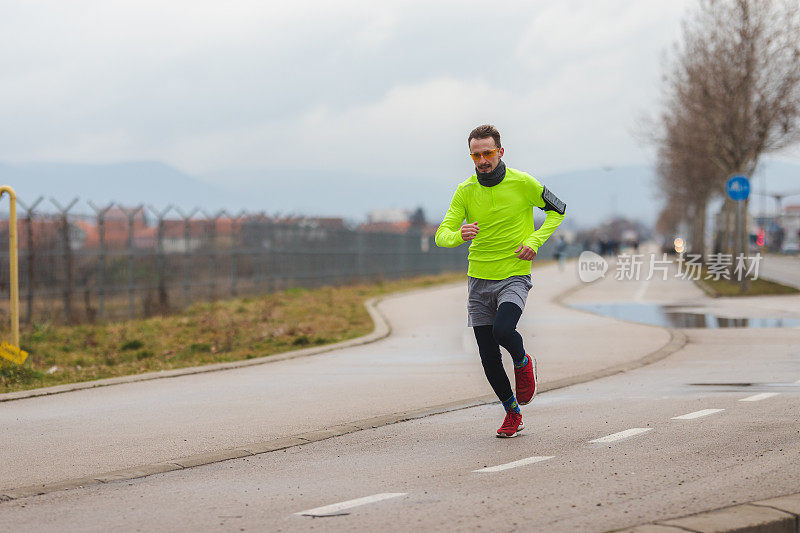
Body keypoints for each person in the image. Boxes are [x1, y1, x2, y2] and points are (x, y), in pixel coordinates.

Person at [435, 124, 566, 438]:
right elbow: (442, 235)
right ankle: (513, 413)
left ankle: (522, 360)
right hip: (478, 281)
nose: (482, 160)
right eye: (476, 154)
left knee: (503, 330)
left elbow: (557, 210)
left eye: (488, 153)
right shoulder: (465, 191)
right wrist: (458, 235)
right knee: (488, 356)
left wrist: (535, 241)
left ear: (500, 152)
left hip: (513, 275)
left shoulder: (523, 183)